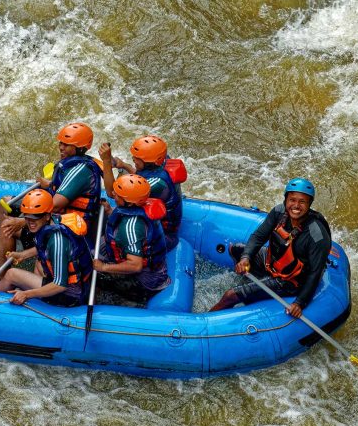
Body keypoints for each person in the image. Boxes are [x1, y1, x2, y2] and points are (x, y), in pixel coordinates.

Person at [210, 178, 332, 317]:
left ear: (309, 204)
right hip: (273, 262)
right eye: (292, 200)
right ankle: (250, 284)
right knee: (236, 249)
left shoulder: (316, 235)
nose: (296, 206)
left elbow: (314, 274)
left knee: (230, 295)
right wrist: (245, 259)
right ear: (286, 200)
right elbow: (258, 237)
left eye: (302, 202)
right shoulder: (279, 212)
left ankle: (203, 325)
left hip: (290, 281)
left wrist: (300, 303)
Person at [0, 122, 102, 266]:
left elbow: (56, 205)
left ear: (80, 148)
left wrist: (22, 221)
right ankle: (15, 243)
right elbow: (65, 189)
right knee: (4, 203)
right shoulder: (73, 162)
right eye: (61, 143)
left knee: (6, 227)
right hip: (54, 216)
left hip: (65, 226)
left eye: (67, 145)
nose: (61, 147)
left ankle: (7, 269)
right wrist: (50, 185)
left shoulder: (81, 171)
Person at [0, 189, 93, 307]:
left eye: (35, 217)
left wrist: (26, 294)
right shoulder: (53, 221)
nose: (31, 222)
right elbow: (44, 247)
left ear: (46, 216)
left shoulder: (58, 241)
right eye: (27, 217)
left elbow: (60, 285)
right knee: (39, 263)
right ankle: (38, 298)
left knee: (11, 274)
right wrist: (23, 255)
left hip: (71, 294)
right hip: (75, 285)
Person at [93, 174, 171, 303]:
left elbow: (135, 265)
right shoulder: (139, 206)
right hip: (154, 269)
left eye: (117, 195)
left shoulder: (130, 227)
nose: (113, 194)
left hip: (146, 282)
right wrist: (109, 211)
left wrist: (104, 267)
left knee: (96, 275)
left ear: (128, 202)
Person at [98, 135, 182, 251]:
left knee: (102, 249)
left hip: (163, 237)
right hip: (158, 226)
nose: (133, 159)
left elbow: (113, 193)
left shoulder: (157, 184)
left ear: (148, 163)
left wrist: (106, 161)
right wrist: (124, 166)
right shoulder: (159, 163)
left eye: (137, 158)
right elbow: (142, 178)